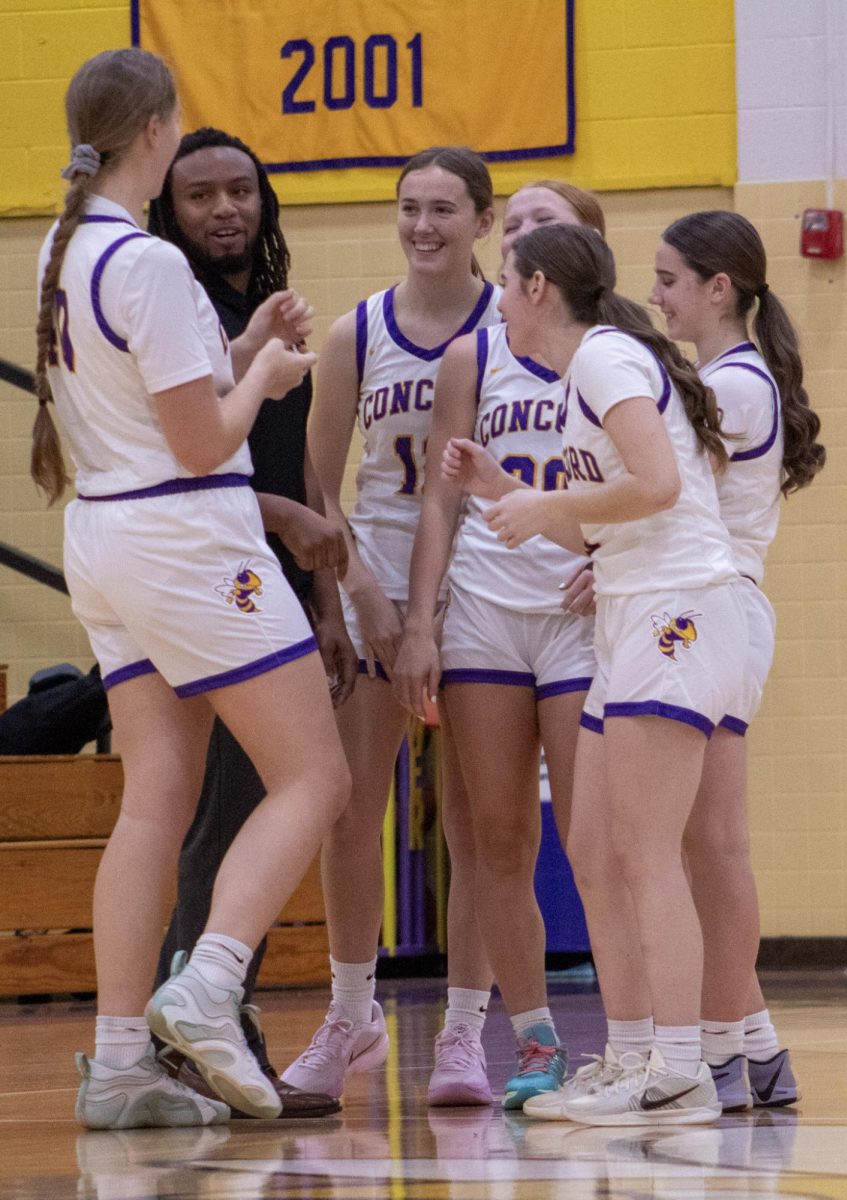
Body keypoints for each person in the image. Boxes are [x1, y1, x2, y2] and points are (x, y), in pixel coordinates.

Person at [33, 48, 350, 1129]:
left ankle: (121, 1062)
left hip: (107, 538)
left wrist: (246, 342)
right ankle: (210, 984)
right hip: (186, 535)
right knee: (314, 774)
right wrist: (265, 378)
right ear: (159, 131)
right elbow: (203, 437)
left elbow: (155, 392)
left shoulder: (61, 247)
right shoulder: (151, 265)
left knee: (155, 797)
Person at [443, 221, 745, 1126]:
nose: (495, 301)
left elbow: (656, 485)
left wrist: (551, 502)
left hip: (676, 608)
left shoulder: (605, 359)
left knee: (645, 850)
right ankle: (629, 1056)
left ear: (538, 289)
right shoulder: (587, 376)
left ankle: (683, 1069)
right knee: (596, 851)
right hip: (628, 614)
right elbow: (595, 523)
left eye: (503, 281)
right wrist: (508, 491)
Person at [280, 146, 500, 1101]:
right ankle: (349, 1011)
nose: (423, 226)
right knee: (345, 806)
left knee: (477, 825)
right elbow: (318, 480)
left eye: (444, 209)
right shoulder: (355, 332)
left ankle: (463, 1031)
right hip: (376, 587)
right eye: (409, 206)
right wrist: (356, 592)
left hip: (481, 593)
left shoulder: (514, 332)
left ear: (482, 222)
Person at [145, 126, 356, 1118]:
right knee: (222, 815)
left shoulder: (265, 314)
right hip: (207, 578)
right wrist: (286, 519)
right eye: (200, 196)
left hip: (272, 585)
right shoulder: (170, 311)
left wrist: (330, 600)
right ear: (168, 209)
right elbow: (194, 463)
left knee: (257, 807)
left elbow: (287, 452)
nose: (224, 209)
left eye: (240, 191)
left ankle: (204, 1026)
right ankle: (197, 1030)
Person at [393, 181, 604, 1109]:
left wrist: (621, 556)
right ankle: (531, 1044)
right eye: (510, 223)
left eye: (541, 221)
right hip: (483, 613)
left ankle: (643, 1039)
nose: (519, 235)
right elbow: (439, 499)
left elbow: (661, 480)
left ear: (583, 247)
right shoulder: (470, 357)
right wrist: (419, 618)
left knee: (596, 840)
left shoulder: (619, 352)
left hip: (575, 613)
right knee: (498, 842)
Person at [649, 210, 824, 1109]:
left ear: (720, 289)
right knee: (703, 846)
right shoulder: (729, 377)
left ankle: (718, 1048)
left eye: (670, 279)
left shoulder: (733, 386)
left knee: (711, 847)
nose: (656, 296)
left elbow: (664, 500)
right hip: (717, 611)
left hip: (714, 607)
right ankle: (754, 1049)